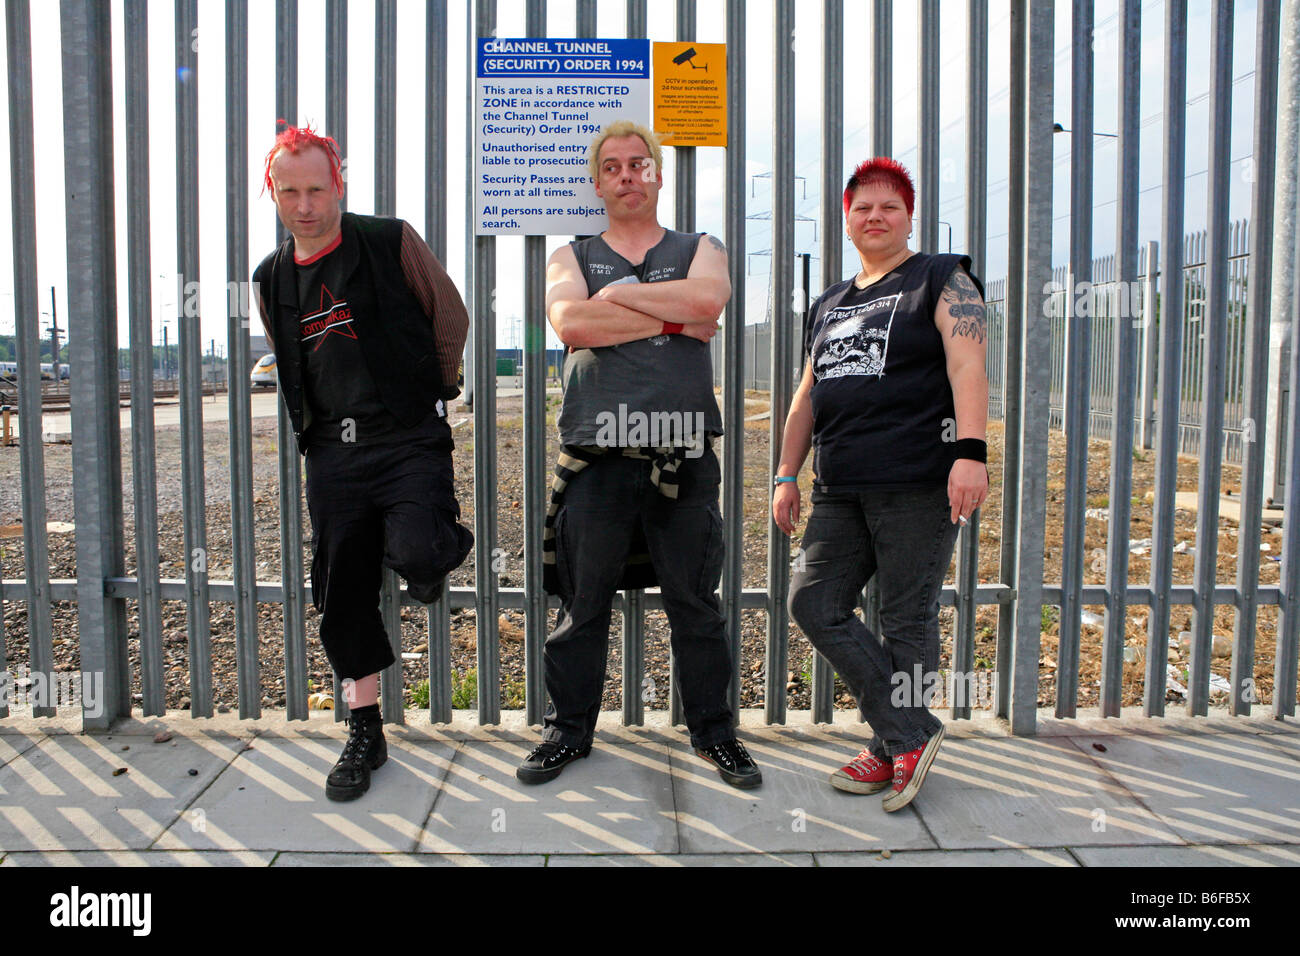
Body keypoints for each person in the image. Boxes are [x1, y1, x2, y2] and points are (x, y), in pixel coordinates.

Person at [516, 120, 761, 789]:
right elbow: (572, 323)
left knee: (694, 602)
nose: (628, 175)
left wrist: (619, 302)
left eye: (639, 164)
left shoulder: (699, 246)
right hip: (597, 455)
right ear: (597, 183)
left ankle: (715, 732)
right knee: (582, 601)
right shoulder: (570, 255)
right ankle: (569, 732)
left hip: (683, 455)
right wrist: (675, 319)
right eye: (614, 167)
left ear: (657, 175)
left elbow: (710, 297)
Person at [253, 122, 473, 802]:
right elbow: (290, 359)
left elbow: (450, 315)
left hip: (405, 438)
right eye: (289, 191)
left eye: (317, 188)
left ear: (338, 185)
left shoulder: (389, 240)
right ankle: (364, 729)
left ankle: (431, 552)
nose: (305, 205)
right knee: (340, 593)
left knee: (418, 548)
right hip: (332, 456)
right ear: (273, 193)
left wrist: (428, 396)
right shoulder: (271, 278)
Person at [773, 157, 988, 812]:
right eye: (862, 207)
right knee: (814, 603)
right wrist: (786, 472)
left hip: (918, 478)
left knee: (904, 617)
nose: (875, 216)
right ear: (847, 217)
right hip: (840, 485)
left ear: (908, 215)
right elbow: (808, 393)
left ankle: (893, 741)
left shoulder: (942, 278)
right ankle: (908, 733)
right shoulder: (830, 302)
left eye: (888, 206)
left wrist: (971, 452)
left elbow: (968, 362)